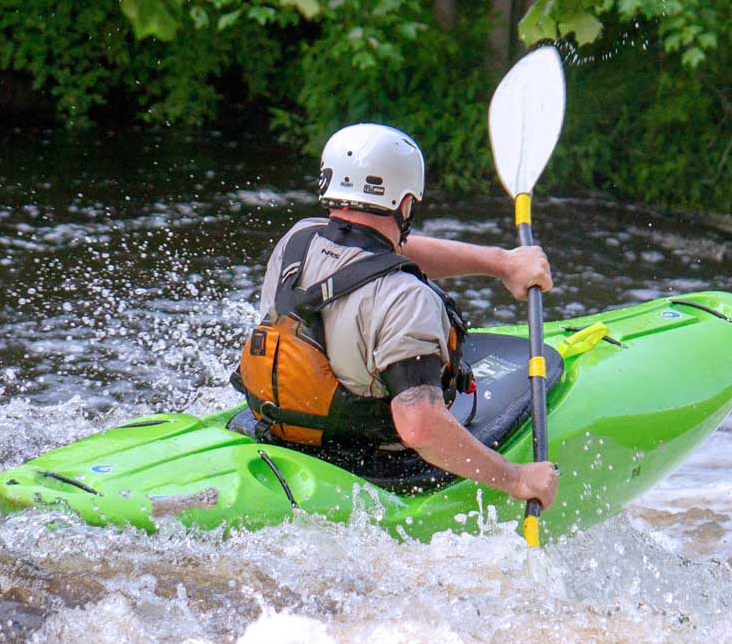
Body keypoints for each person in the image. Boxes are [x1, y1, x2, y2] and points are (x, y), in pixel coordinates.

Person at [235, 123, 559, 506]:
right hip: (372, 465)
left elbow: (379, 254)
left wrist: (502, 263)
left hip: (285, 430)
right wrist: (517, 479)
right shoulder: (408, 300)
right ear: (405, 204)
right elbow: (421, 426)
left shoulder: (299, 240)